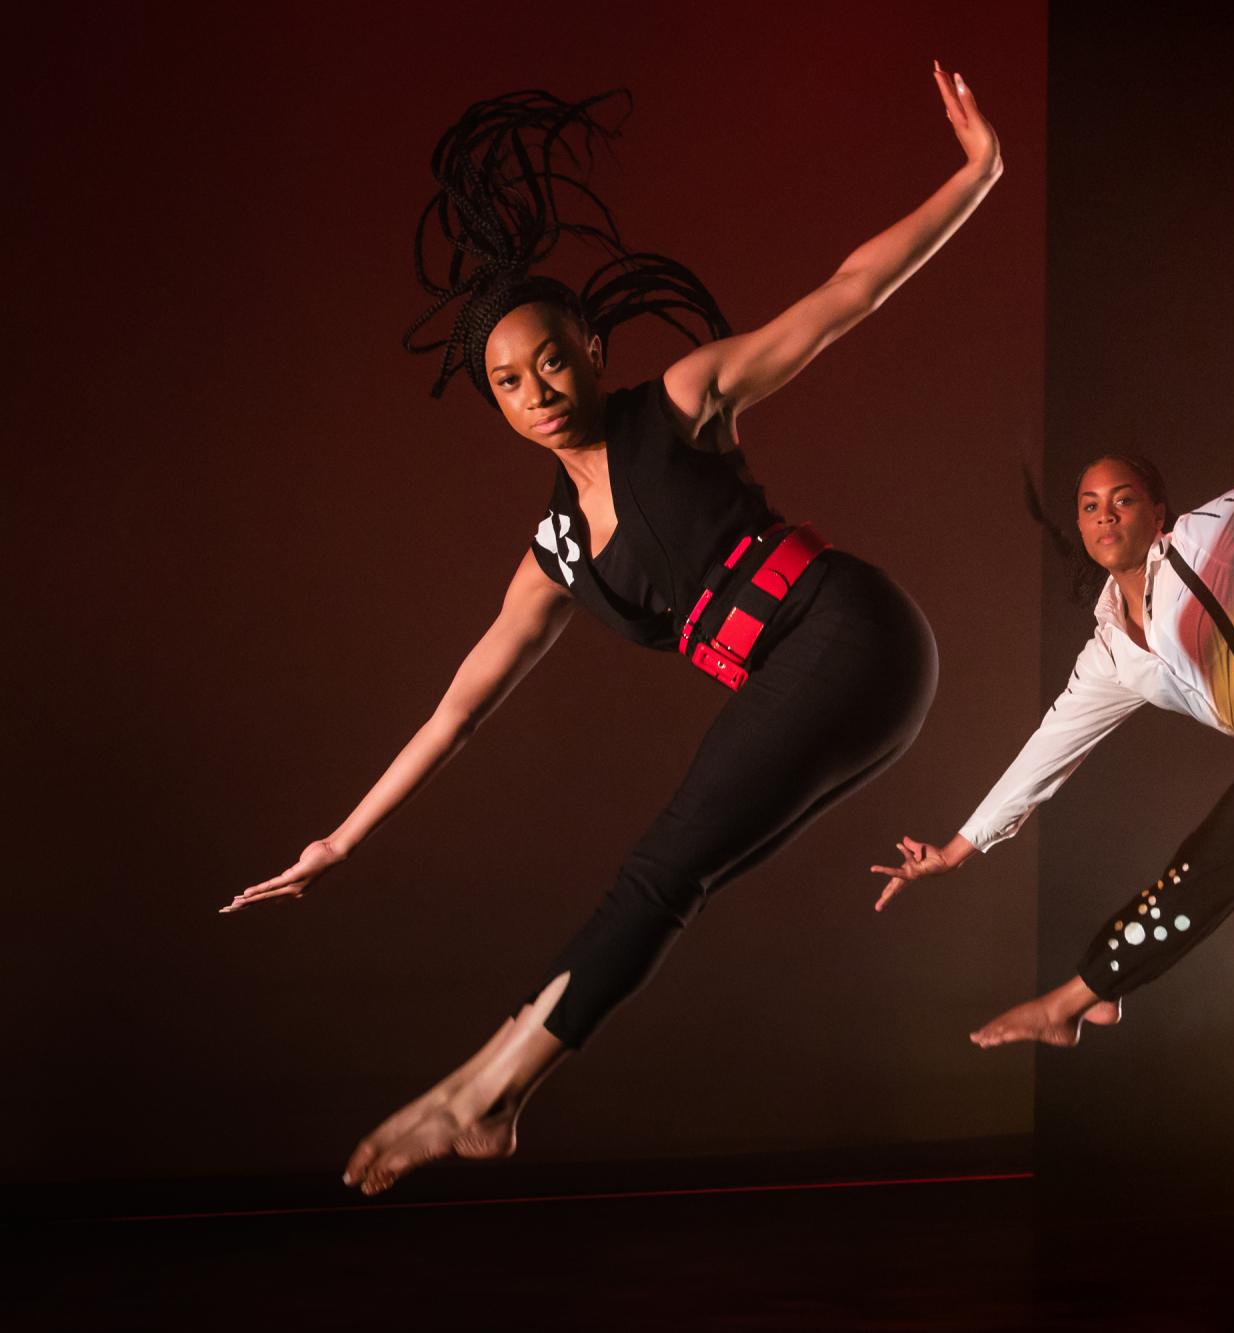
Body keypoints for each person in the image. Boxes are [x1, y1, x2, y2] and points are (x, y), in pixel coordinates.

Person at [224, 66, 1002, 1195]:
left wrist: (975, 177)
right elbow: (457, 709)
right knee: (671, 880)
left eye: (550, 358)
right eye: (507, 381)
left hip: (847, 633)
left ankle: (477, 1094)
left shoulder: (681, 404)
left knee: (656, 870)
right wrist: (339, 842)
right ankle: (494, 1092)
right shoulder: (552, 559)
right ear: (493, 405)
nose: (536, 386)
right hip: (821, 683)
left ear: (590, 346)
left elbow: (846, 293)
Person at [872, 285, 1234, 1047]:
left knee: (1210, 860)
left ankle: (1077, 997)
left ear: (1158, 512)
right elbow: (1047, 753)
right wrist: (957, 848)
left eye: (1124, 499)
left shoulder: (1210, 537)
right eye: (1089, 504)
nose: (1105, 514)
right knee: (1218, 863)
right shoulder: (1110, 651)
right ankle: (1099, 992)